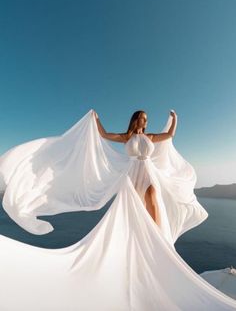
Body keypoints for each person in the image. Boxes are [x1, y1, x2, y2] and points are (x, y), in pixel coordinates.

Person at [0, 108, 236, 310]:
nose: (145, 121)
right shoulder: (126, 137)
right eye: (142, 118)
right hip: (132, 174)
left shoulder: (152, 137)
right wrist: (97, 119)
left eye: (146, 119)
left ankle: (156, 233)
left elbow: (170, 135)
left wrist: (175, 118)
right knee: (132, 204)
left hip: (148, 171)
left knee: (153, 196)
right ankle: (140, 232)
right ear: (135, 120)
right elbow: (103, 135)